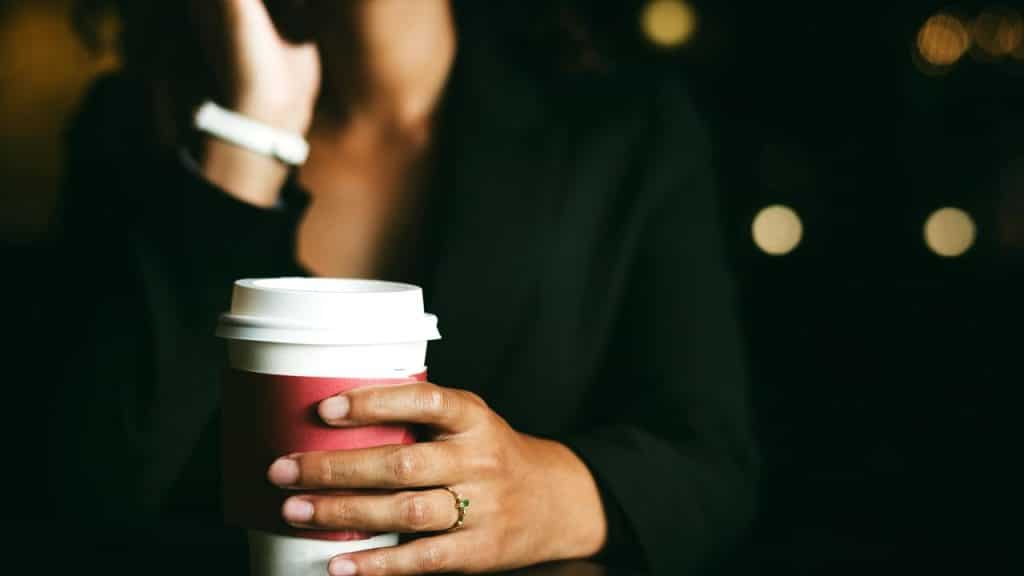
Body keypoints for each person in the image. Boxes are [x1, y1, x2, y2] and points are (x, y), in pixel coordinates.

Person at [48, 1, 758, 574]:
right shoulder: (137, 127)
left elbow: (714, 460)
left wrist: (542, 495)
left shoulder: (625, 129)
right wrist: (252, 132)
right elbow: (85, 490)